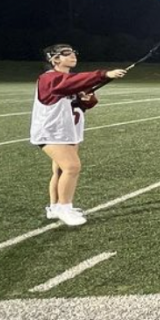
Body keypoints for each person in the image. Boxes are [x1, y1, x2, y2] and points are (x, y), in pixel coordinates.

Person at [30, 44, 129, 226]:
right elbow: (68, 84)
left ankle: (54, 207)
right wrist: (104, 74)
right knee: (72, 167)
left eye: (74, 52)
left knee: (60, 170)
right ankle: (64, 208)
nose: (73, 56)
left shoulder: (69, 80)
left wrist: (86, 98)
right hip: (51, 131)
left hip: (69, 131)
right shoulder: (49, 78)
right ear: (54, 59)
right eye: (66, 54)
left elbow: (83, 103)